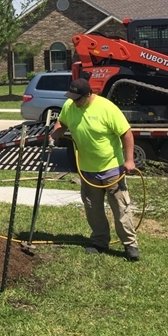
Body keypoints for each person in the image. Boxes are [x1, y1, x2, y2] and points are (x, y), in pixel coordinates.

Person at [50, 78, 140, 261]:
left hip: (111, 169)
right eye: (72, 98)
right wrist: (55, 134)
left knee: (120, 209)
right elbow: (62, 122)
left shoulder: (107, 108)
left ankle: (130, 245)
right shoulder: (70, 105)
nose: (74, 102)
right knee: (93, 209)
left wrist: (129, 160)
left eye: (78, 99)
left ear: (89, 94)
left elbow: (126, 133)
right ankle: (100, 241)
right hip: (86, 169)